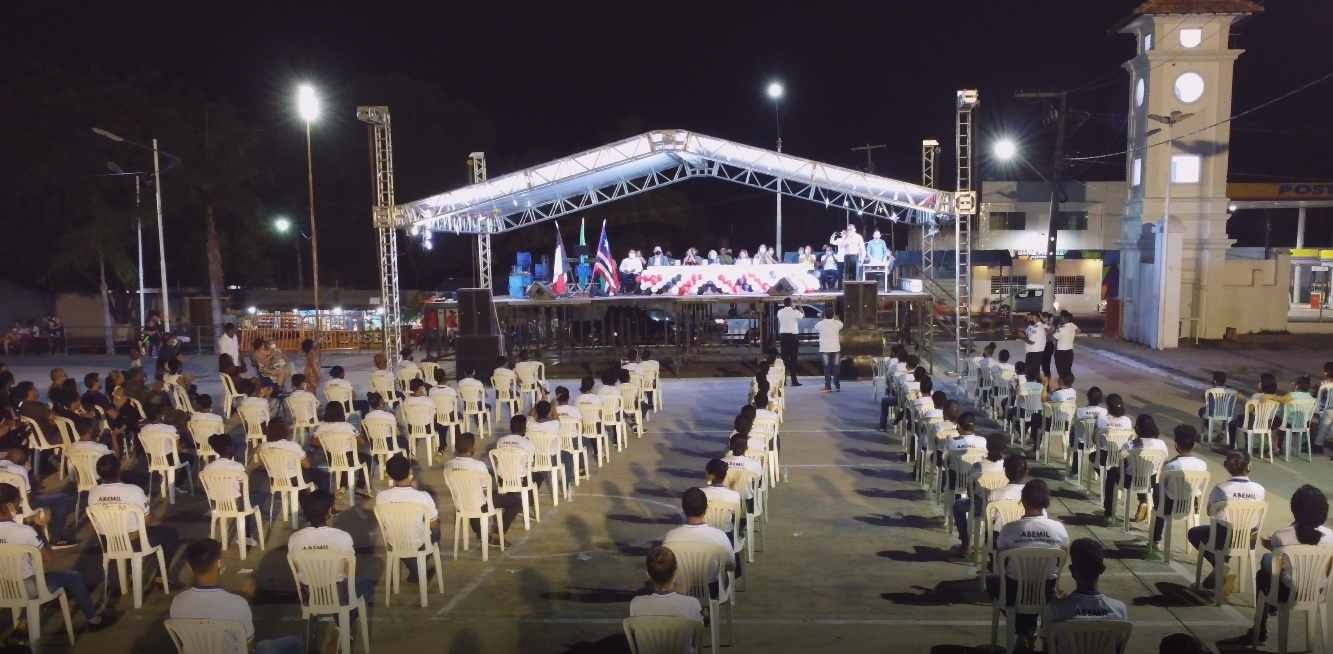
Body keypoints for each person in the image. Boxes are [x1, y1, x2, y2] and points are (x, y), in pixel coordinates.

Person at [0, 483, 118, 642]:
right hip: (27, 588)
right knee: (73, 577)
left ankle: (21, 626)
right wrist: (40, 529)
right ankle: (93, 619)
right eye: (17, 502)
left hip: (3, 589)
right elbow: (49, 560)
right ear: (9, 506)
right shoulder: (25, 532)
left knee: (28, 585)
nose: (19, 505)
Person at [171, 538, 303, 654]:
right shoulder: (238, 603)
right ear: (219, 564)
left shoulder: (178, 602)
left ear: (190, 567)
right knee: (294, 643)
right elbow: (248, 647)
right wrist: (246, 598)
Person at [987, 479, 1068, 647]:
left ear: (1022, 500)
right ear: (1046, 502)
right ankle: (1026, 632)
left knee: (992, 581)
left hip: (1014, 590)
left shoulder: (1009, 529)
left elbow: (1001, 562)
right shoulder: (1059, 528)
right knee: (1033, 587)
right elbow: (1062, 558)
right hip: (1047, 590)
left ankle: (1024, 631)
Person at [1252, 484, 1332, 645]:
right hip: (1316, 592)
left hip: (1287, 593)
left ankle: (1259, 629)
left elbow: (1279, 564)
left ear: (1294, 509)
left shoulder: (1281, 536)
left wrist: (1271, 547)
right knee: (1268, 563)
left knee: (1266, 563)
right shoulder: (1330, 536)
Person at [88, 454, 182, 580]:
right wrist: (160, 510)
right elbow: (147, 520)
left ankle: (130, 574)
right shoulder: (134, 490)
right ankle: (160, 577)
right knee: (172, 535)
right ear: (119, 470)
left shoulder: (93, 492)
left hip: (108, 543)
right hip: (133, 542)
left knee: (124, 531)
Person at [289, 490, 375, 623]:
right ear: (329, 511)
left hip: (310, 594)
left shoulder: (295, 538)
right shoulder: (342, 537)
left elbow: (297, 569)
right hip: (337, 592)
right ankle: (344, 623)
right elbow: (348, 571)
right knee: (367, 583)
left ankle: (340, 622)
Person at [1189, 449, 1264, 594]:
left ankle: (1222, 568)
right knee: (1228, 529)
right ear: (1249, 466)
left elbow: (1210, 511)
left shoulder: (1220, 488)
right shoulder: (1259, 489)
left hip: (1222, 539)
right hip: (1248, 538)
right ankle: (1222, 569)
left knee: (1194, 533)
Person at [1038, 538, 1128, 652]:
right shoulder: (1119, 609)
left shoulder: (1055, 609)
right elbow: (1118, 646)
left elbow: (1048, 647)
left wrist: (1061, 604)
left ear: (1072, 570)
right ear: (1102, 570)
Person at [444, 432, 520, 544]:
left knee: (471, 496)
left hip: (461, 504)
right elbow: (485, 491)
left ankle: (480, 533)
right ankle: (496, 536)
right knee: (516, 502)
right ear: (471, 448)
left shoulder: (448, 465)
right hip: (480, 505)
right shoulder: (479, 465)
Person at [661, 488, 736, 597]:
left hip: (682, 591)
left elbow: (667, 568)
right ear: (706, 509)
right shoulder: (720, 536)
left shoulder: (670, 537)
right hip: (713, 589)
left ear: (683, 509)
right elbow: (731, 566)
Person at [376, 454, 440, 582]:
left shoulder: (381, 496)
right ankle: (418, 571)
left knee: (402, 538)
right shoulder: (423, 496)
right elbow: (433, 524)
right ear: (410, 472)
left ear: (389, 475)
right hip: (417, 543)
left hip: (394, 542)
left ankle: (416, 570)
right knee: (436, 532)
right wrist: (414, 490)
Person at [0, 444, 77, 548]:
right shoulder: (19, 469)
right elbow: (28, 498)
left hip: (3, 504)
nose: (24, 460)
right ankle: (56, 538)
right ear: (17, 456)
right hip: (20, 506)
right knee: (62, 498)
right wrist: (34, 488)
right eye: (23, 457)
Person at [628, 546, 704, 650]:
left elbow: (634, 631)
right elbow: (696, 637)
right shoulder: (692, 604)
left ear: (648, 574)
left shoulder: (636, 603)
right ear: (676, 572)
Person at [1149, 425, 1209, 546]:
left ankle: (1156, 539)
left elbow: (1164, 485)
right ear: (1193, 445)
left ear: (1176, 445)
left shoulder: (1171, 466)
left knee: (1157, 489)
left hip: (1170, 506)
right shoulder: (1202, 465)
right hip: (1191, 504)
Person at [203, 433, 266, 547]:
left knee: (246, 499)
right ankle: (247, 536)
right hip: (235, 504)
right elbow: (244, 490)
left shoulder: (207, 468)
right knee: (251, 499)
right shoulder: (237, 467)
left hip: (217, 505)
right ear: (229, 449)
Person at [1102, 414, 1168, 522]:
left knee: (1112, 472)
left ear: (1138, 428)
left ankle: (1108, 511)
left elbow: (1122, 465)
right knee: (1143, 473)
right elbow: (1163, 463)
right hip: (1151, 481)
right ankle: (1143, 500)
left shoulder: (1129, 445)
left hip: (1128, 482)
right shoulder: (1161, 445)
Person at [950, 432, 1006, 552]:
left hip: (979, 507)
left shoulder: (978, 466)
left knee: (957, 506)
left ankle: (965, 542)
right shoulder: (1006, 467)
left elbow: (970, 491)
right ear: (1003, 449)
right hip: (1001, 508)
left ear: (987, 447)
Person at [1228, 373, 1290, 448]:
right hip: (1267, 425)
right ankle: (1248, 445)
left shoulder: (1256, 396)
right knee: (1244, 419)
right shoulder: (1275, 398)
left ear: (1264, 384)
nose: (1258, 383)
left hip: (1253, 424)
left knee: (1232, 423)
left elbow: (1247, 411)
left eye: (1259, 381)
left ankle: (1233, 447)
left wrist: (1242, 400)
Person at [815, 308, 843, 393]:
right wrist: (835, 316)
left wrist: (821, 317)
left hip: (824, 348)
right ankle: (837, 386)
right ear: (833, 315)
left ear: (824, 315)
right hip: (835, 348)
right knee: (836, 367)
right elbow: (841, 324)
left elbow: (816, 327)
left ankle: (828, 386)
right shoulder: (837, 323)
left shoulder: (821, 323)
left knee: (827, 368)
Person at [776, 298, 802, 387]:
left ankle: (783, 380)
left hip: (783, 336)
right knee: (793, 358)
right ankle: (794, 380)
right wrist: (799, 305)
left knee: (784, 359)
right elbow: (802, 315)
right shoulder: (794, 312)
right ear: (791, 303)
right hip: (793, 337)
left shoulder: (780, 312)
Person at [1018, 312, 1047, 383]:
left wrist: (1022, 337)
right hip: (1032, 353)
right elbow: (1027, 334)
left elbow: (1031, 341)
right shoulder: (1032, 326)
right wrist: (1022, 333)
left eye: (1031, 318)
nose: (1030, 319)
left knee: (1032, 372)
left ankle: (1036, 386)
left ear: (1036, 318)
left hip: (1035, 354)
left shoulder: (1037, 328)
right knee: (1033, 372)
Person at [1052, 310, 1079, 380]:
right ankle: (1068, 382)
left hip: (1061, 352)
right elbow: (1078, 330)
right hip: (1069, 351)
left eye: (1062, 317)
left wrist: (1049, 332)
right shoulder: (1072, 327)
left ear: (1064, 319)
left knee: (1060, 370)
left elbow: (1053, 338)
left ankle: (1063, 383)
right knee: (1068, 369)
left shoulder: (1062, 329)